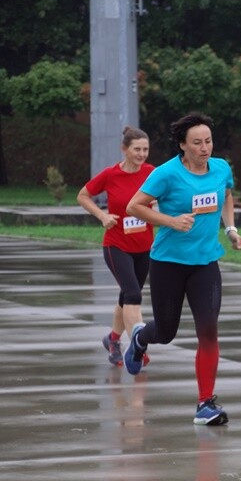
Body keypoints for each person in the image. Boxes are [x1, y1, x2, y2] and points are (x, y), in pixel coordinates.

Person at [125, 112, 241, 426]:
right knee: (165, 332)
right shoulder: (166, 174)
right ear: (183, 145)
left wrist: (230, 229)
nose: (204, 147)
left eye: (208, 141)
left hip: (205, 263)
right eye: (196, 143)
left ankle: (205, 404)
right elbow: (134, 206)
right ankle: (140, 338)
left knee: (209, 331)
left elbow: (227, 196)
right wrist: (170, 221)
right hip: (168, 263)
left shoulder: (220, 168)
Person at [77, 126, 155, 367]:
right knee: (133, 293)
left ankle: (112, 339)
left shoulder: (153, 173)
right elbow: (82, 195)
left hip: (144, 246)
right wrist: (102, 216)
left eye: (145, 149)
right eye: (137, 149)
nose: (142, 154)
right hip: (116, 244)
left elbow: (166, 194)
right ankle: (137, 347)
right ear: (124, 149)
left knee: (126, 297)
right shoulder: (111, 174)